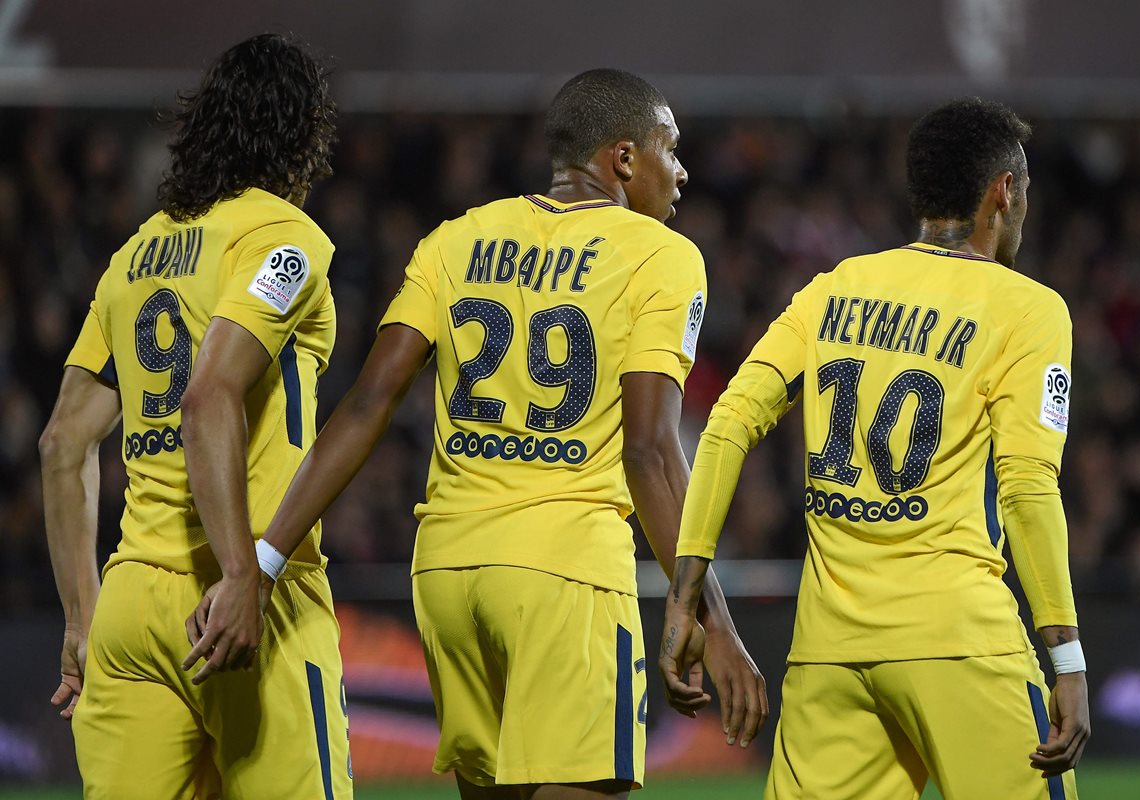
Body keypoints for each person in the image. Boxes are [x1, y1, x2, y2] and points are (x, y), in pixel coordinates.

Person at [235, 68, 767, 799]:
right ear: (621, 158)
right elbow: (648, 450)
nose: (682, 171)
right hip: (564, 571)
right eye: (669, 149)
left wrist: (261, 563)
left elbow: (366, 405)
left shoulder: (455, 239)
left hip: (448, 572)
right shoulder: (661, 256)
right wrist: (710, 616)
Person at [659, 97, 1090, 800]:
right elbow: (1027, 486)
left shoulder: (835, 289)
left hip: (831, 653)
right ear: (1004, 191)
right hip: (959, 642)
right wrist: (1066, 659)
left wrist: (686, 596)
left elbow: (730, 420)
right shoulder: (1028, 309)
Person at [40, 34, 352, 799]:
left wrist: (82, 619)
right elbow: (209, 394)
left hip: (128, 607)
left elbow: (62, 442)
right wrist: (245, 572)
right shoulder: (283, 238)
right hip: (241, 595)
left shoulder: (137, 254)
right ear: (301, 137)